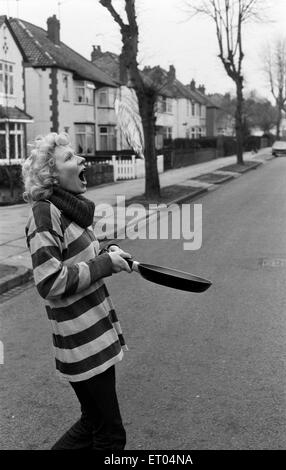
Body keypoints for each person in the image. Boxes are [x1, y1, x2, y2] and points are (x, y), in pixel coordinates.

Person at [22, 132, 131, 450]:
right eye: (70, 158)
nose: (81, 159)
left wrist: (110, 251)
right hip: (82, 341)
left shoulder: (69, 209)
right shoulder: (45, 213)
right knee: (110, 436)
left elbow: (82, 253)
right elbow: (49, 282)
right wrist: (105, 265)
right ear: (51, 175)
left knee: (92, 424)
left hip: (92, 334)